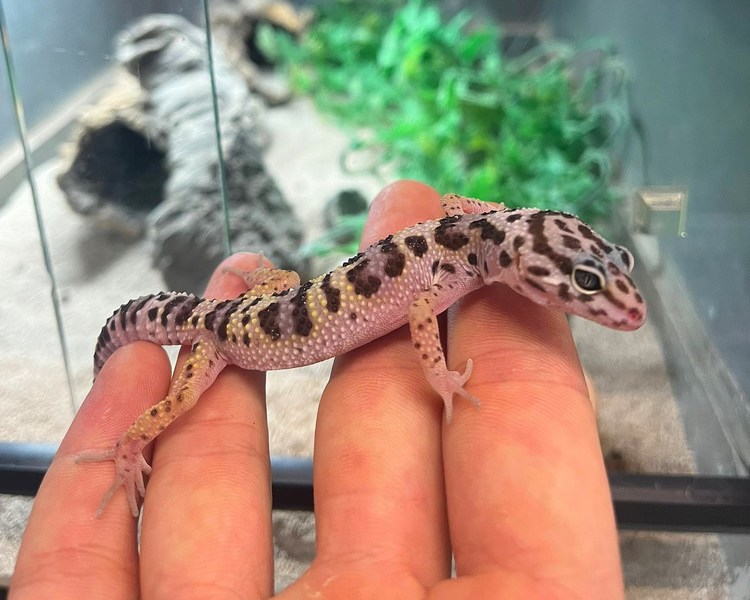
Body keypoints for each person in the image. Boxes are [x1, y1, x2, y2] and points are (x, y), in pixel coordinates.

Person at [10, 181, 623, 598]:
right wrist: (437, 375)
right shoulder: (460, 259)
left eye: (598, 273)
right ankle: (126, 447)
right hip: (225, 335)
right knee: (180, 404)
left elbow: (459, 204)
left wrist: (507, 218)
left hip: (271, 307)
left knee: (289, 285)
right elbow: (419, 317)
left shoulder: (473, 238)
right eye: (589, 282)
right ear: (516, 254)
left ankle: (271, 288)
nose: (606, 302)